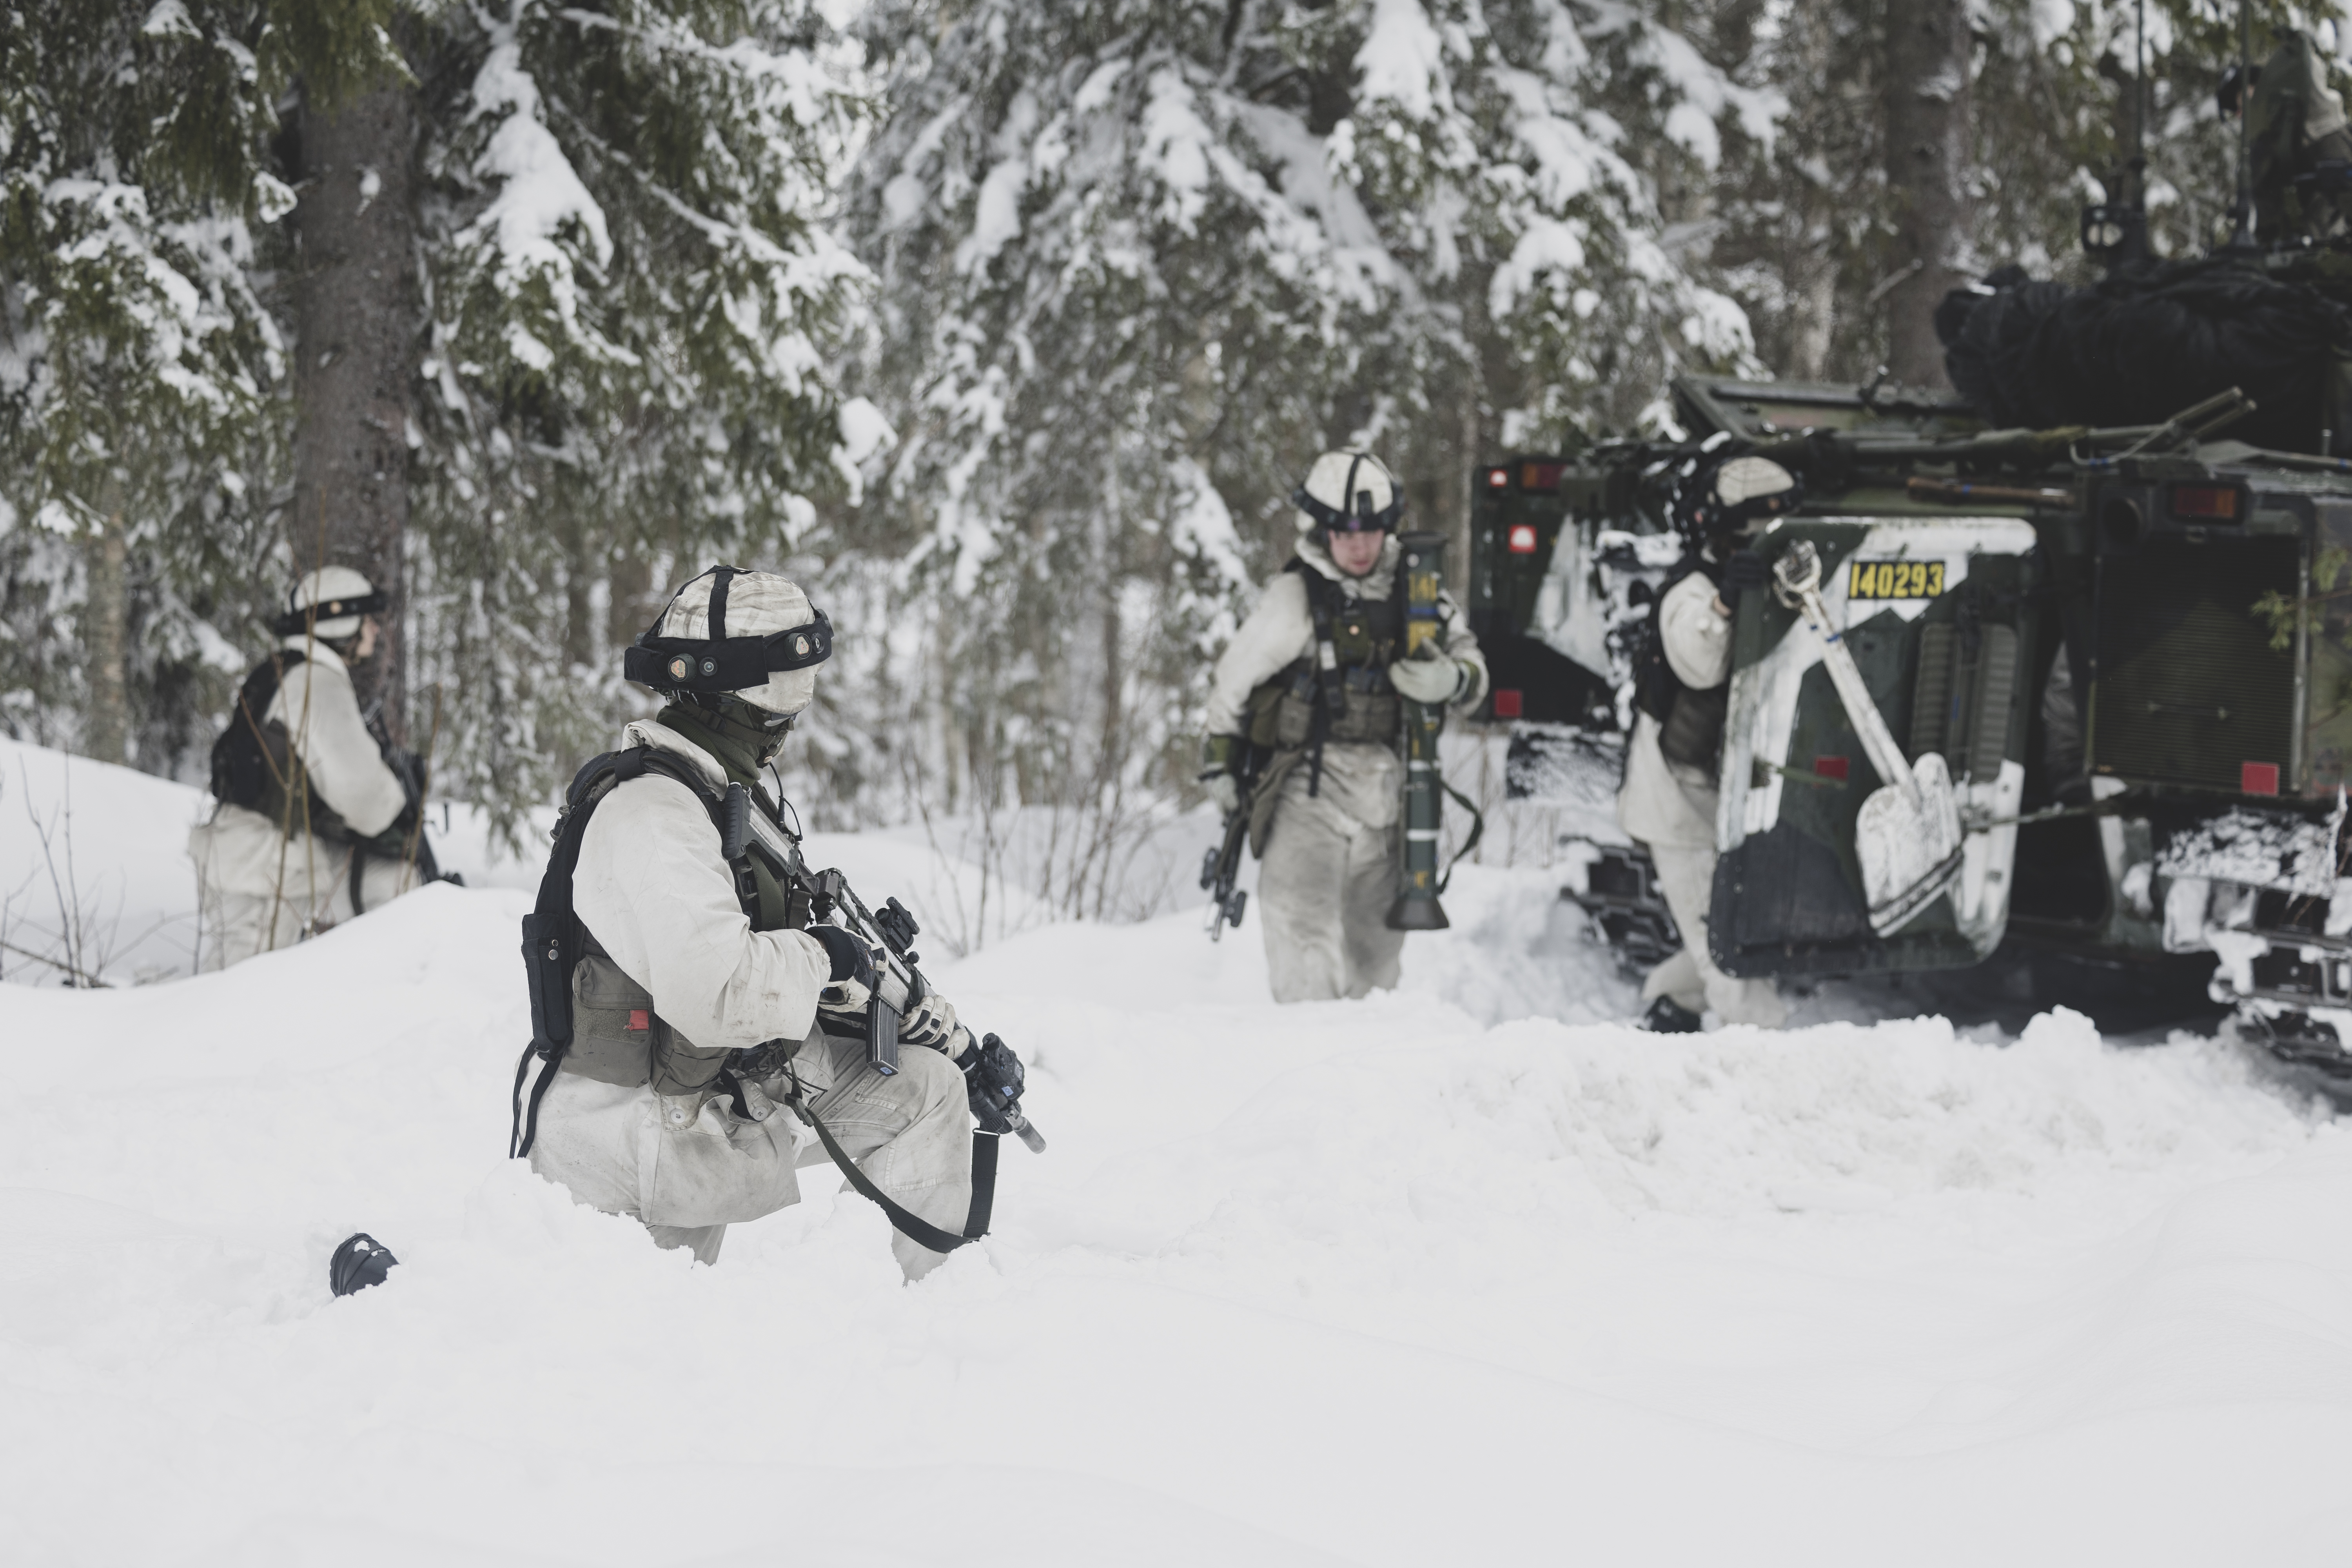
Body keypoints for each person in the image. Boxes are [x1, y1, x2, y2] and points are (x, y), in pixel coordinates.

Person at [523, 566, 982, 1279]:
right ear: (744, 689)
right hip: (634, 1139)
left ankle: (931, 1319)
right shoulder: (655, 812)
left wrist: (867, 997)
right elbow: (717, 995)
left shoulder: (711, 790)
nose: (796, 711)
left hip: (707, 1091)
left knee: (928, 1088)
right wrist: (825, 959)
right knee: (635, 1355)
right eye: (789, 681)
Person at [1199, 450, 1488, 1003]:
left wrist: (1453, 679)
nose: (1360, 545)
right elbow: (1233, 681)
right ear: (1324, 530)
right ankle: (1311, 1072)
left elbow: (1473, 665)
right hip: (1308, 792)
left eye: (1372, 530)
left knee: (1376, 964)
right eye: (1345, 532)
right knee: (1303, 950)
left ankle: (1364, 1077)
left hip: (1388, 799)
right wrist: (1219, 761)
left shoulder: (1419, 589)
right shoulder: (1295, 596)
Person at [1619, 453, 1798, 1032]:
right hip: (1676, 798)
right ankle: (1765, 1050)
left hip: (1724, 791)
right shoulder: (1690, 589)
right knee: (1723, 945)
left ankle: (1669, 1006)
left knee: (1722, 926)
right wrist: (1724, 602)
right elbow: (1697, 664)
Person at [191, 568, 433, 969]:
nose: (375, 630)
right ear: (340, 621)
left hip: (254, 855)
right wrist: (400, 799)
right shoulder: (317, 684)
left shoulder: (283, 672)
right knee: (238, 998)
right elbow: (367, 802)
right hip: (263, 868)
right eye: (368, 620)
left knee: (393, 883)